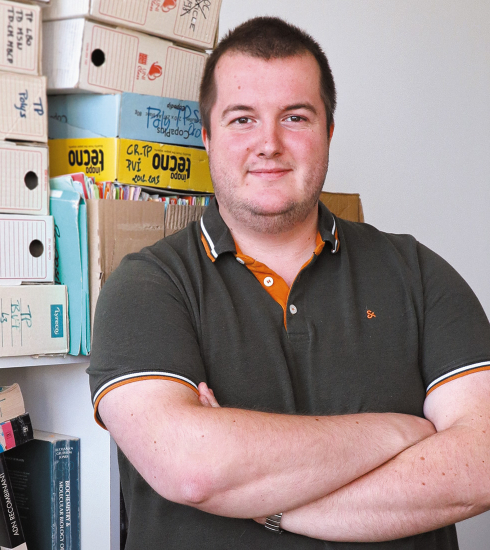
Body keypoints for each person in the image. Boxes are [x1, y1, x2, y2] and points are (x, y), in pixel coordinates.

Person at [87, 16, 490, 550]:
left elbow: (480, 465)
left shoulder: (416, 271)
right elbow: (192, 468)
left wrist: (262, 500)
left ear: (328, 132)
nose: (269, 144)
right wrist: (399, 432)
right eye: (242, 119)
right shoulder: (146, 287)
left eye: (295, 117)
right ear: (207, 137)